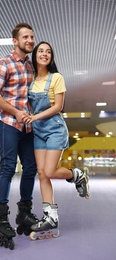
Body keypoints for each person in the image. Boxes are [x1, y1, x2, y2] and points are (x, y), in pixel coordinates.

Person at [22, 41, 90, 238]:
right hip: (38, 131)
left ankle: (77, 174)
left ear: (51, 57)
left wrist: (34, 117)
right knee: (42, 173)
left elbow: (58, 106)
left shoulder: (56, 78)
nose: (44, 54)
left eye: (48, 52)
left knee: (50, 171)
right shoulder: (31, 80)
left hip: (54, 129)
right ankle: (50, 217)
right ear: (35, 55)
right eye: (41, 51)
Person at [0, 23, 38, 249]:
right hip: (8, 123)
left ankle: (24, 213)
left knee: (31, 167)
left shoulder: (31, 67)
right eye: (25, 37)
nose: (30, 40)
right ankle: (0, 219)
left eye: (32, 37)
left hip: (27, 126)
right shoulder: (3, 64)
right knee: (8, 166)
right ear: (15, 41)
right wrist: (16, 112)